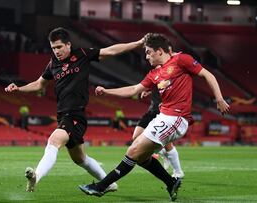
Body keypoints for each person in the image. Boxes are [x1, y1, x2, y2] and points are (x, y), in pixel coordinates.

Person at [79, 33, 230, 201]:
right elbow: (133, 90)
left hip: (176, 118)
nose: (147, 56)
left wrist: (219, 99)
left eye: (149, 52)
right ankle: (170, 182)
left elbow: (208, 75)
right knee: (141, 155)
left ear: (160, 51)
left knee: (134, 150)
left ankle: (101, 187)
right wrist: (107, 91)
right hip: (162, 116)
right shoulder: (154, 74)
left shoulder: (181, 60)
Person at [5, 27, 146, 192]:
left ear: (68, 44)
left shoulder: (82, 54)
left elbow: (111, 51)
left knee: (53, 141)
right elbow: (38, 84)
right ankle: (109, 183)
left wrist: (137, 43)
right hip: (63, 115)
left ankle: (36, 176)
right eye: (53, 48)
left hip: (75, 115)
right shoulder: (53, 64)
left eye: (59, 47)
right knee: (80, 159)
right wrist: (19, 89)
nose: (56, 51)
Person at [134, 88, 184, 179]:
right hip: (152, 110)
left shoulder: (172, 77)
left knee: (166, 143)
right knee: (136, 136)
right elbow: (153, 84)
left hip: (164, 112)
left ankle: (178, 172)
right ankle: (163, 154)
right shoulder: (154, 75)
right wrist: (148, 90)